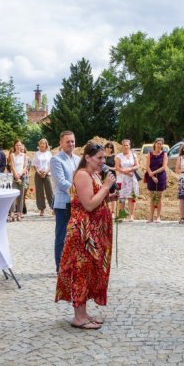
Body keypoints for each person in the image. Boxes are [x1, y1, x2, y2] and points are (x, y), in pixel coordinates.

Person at [55, 142, 116, 329]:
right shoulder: (82, 174)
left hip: (94, 231)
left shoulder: (94, 174)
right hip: (84, 232)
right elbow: (88, 204)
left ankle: (84, 313)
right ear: (88, 158)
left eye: (104, 158)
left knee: (89, 271)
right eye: (99, 158)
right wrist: (106, 187)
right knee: (81, 271)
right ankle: (78, 317)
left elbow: (95, 199)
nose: (102, 161)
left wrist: (109, 196)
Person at [50, 131, 80, 270]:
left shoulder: (78, 159)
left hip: (77, 203)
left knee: (75, 236)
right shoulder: (56, 160)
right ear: (61, 143)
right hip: (63, 204)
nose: (71, 144)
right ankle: (60, 267)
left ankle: (72, 264)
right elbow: (61, 183)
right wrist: (78, 190)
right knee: (62, 236)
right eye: (68, 141)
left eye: (73, 141)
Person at [114, 139, 140, 220]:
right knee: (121, 197)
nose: (126, 147)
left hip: (131, 178)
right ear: (122, 146)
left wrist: (130, 170)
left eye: (127, 145)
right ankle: (122, 215)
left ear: (130, 146)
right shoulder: (118, 156)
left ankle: (131, 215)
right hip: (122, 179)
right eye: (124, 145)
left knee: (131, 197)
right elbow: (117, 167)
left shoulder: (133, 155)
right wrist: (125, 172)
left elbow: (137, 165)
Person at [145, 138, 169, 223]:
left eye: (160, 144)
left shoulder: (164, 154)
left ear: (162, 145)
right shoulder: (149, 154)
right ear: (154, 144)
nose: (159, 145)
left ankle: (158, 217)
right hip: (151, 177)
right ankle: (151, 217)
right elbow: (147, 166)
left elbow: (164, 167)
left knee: (158, 198)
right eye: (158, 143)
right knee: (152, 198)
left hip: (160, 177)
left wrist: (153, 173)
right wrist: (151, 175)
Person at [8, 140, 29, 221]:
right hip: (14, 177)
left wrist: (20, 175)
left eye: (20, 145)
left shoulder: (24, 156)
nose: (18, 146)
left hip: (22, 177)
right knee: (13, 196)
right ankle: (12, 213)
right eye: (17, 145)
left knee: (21, 196)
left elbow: (25, 167)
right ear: (14, 146)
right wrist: (16, 176)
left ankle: (19, 213)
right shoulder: (12, 155)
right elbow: (12, 166)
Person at [32, 138, 54, 215]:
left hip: (47, 174)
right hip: (38, 174)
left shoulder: (49, 154)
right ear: (39, 145)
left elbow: (51, 164)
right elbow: (34, 165)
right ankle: (42, 209)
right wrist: (38, 172)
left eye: (43, 143)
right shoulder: (36, 153)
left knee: (50, 191)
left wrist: (46, 172)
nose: (42, 145)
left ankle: (53, 208)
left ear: (46, 145)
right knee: (39, 192)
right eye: (41, 143)